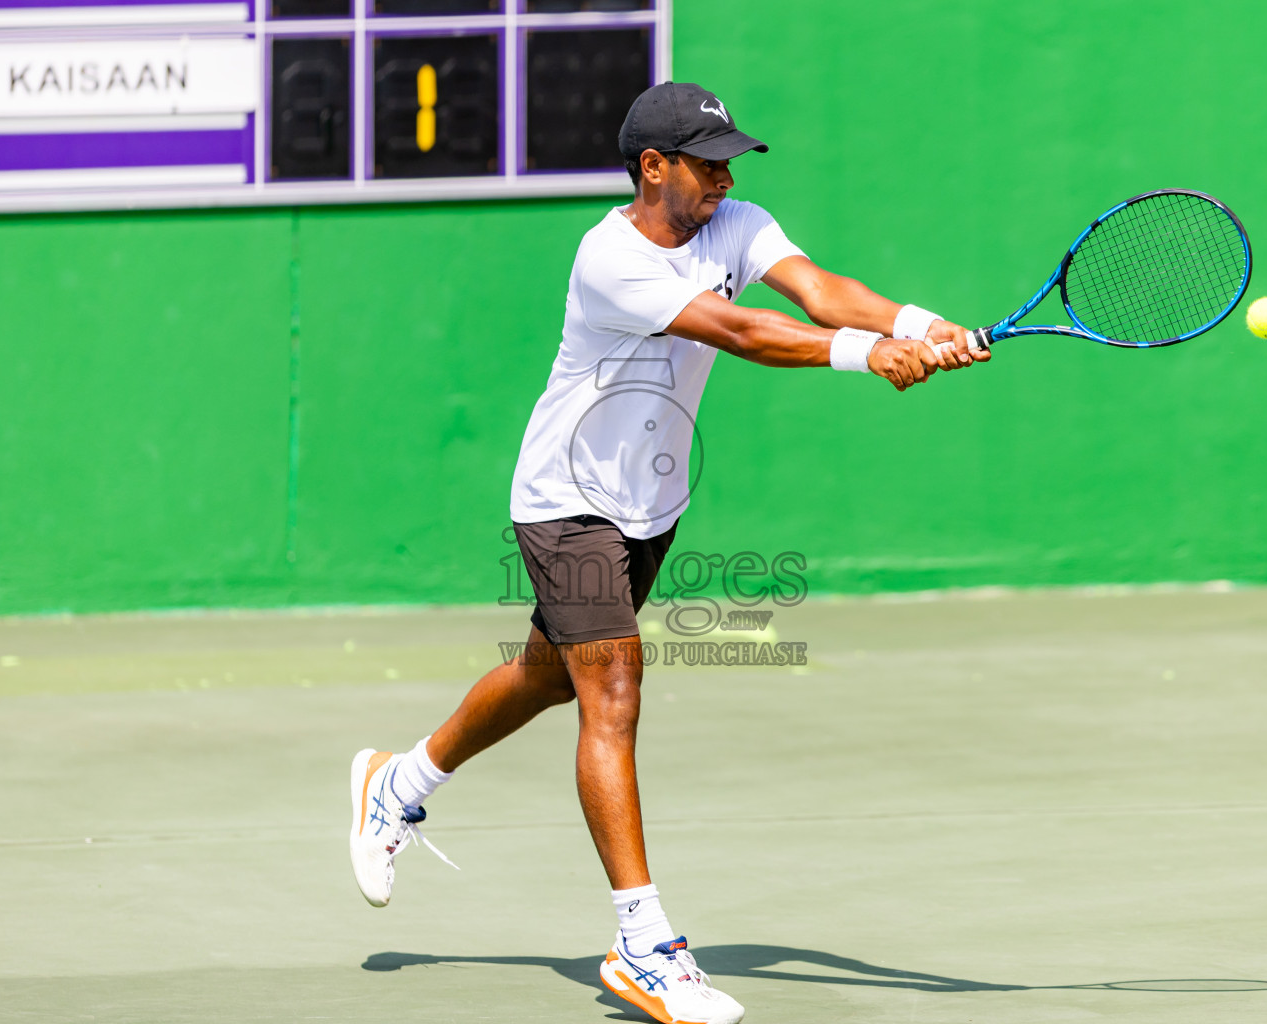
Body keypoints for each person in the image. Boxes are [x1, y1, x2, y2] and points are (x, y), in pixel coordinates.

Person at [349, 81, 988, 1024]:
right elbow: (738, 330)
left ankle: (397, 781)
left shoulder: (738, 219)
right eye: (708, 160)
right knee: (612, 688)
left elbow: (818, 291)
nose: (727, 175)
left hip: (650, 504)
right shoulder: (610, 259)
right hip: (565, 499)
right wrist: (863, 359)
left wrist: (913, 324)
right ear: (654, 168)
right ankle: (644, 945)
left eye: (731, 158)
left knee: (549, 675)